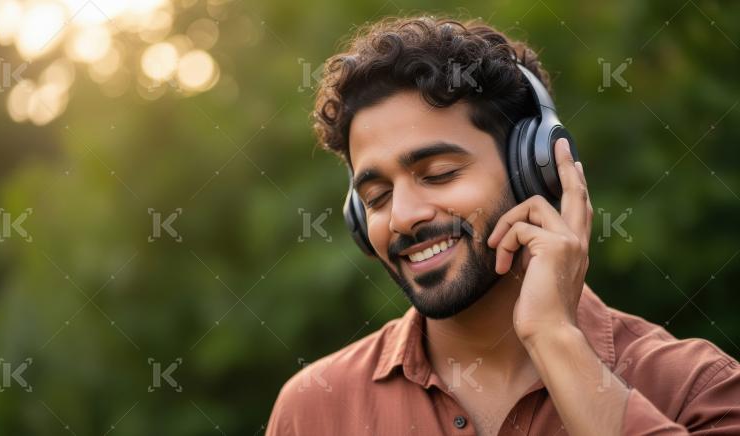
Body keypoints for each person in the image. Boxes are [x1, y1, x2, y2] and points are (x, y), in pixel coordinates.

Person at [266, 16, 740, 436]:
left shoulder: (696, 389)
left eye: (438, 174)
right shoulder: (313, 409)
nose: (404, 216)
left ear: (534, 169)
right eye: (376, 197)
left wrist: (553, 338)